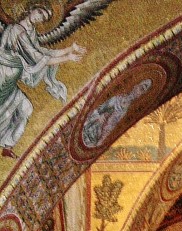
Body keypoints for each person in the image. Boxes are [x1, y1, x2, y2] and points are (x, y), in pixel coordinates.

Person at [0, 5, 86, 159]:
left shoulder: (30, 32)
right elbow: (37, 57)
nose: (40, 18)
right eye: (39, 12)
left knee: (25, 108)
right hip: (2, 77)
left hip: (10, 80)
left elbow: (43, 52)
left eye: (44, 18)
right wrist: (68, 57)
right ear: (30, 9)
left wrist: (69, 49)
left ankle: (7, 146)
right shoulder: (17, 31)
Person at [82, 78, 151, 149]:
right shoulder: (118, 97)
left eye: (143, 91)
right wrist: (100, 116)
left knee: (95, 141)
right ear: (136, 86)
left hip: (102, 130)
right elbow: (100, 109)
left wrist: (102, 137)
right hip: (95, 122)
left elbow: (113, 125)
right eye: (141, 88)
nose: (140, 92)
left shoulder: (127, 109)